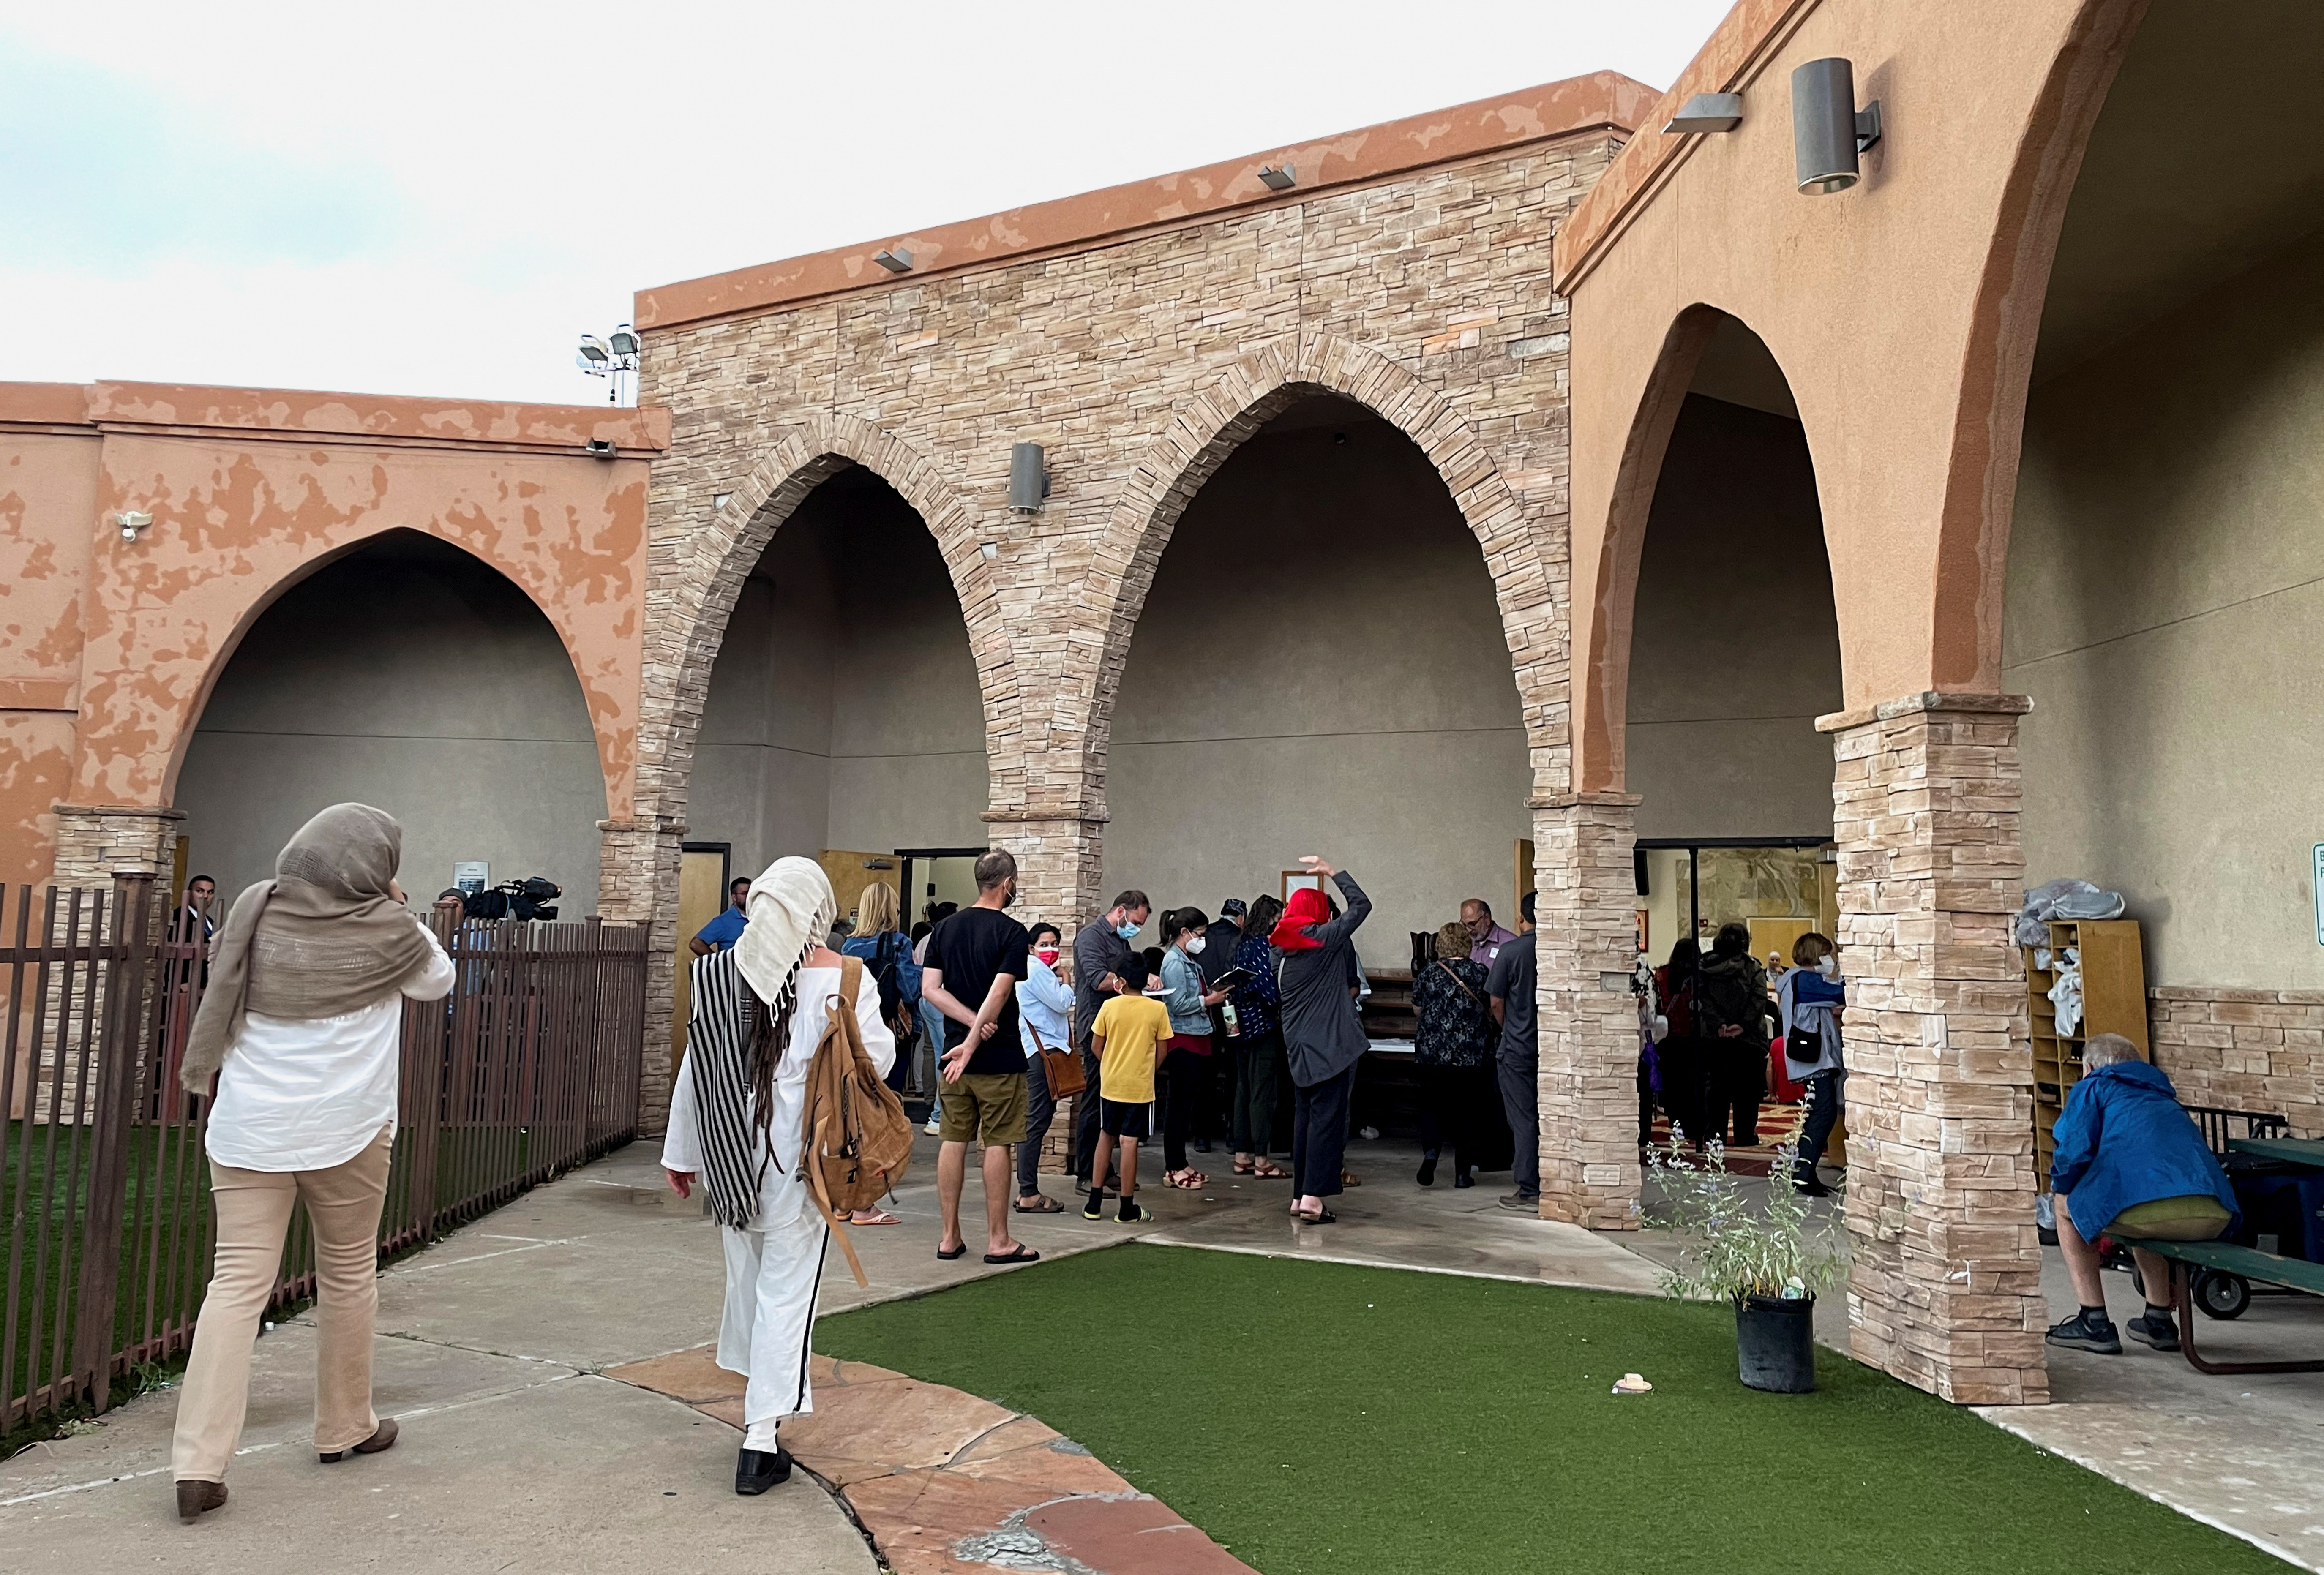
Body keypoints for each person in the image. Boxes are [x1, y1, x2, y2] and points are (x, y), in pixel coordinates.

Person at [167, 804, 456, 1524]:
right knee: (349, 1274)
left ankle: (198, 1461)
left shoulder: (253, 912)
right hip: (348, 1131)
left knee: (234, 1285)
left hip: (247, 1129)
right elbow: (439, 980)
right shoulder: (393, 932)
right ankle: (344, 1425)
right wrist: (398, 905)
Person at [661, 857, 896, 1494]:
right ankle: (759, 1440)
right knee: (787, 1296)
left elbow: (697, 1067)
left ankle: (756, 1396)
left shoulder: (715, 975)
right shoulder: (846, 976)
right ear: (818, 912)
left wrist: (680, 1152)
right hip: (805, 1162)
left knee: (749, 1284)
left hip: (732, 1157)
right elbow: (878, 1060)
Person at [2045, 1034, 2239, 1356]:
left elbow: (2073, 1151)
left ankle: (2094, 1320)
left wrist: (2062, 1186)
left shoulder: (2093, 1087)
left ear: (2089, 1066)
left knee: (2065, 1204)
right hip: (2215, 1210)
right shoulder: (2163, 1095)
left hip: (2152, 1210)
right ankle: (2159, 1319)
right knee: (2137, 1203)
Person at [920, 852, 1039, 1267]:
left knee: (953, 1139)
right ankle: (998, 1238)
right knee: (998, 1143)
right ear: (1007, 882)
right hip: (998, 1055)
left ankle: (949, 1235)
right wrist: (978, 1032)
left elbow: (930, 988)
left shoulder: (945, 928)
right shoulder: (1011, 931)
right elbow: (1000, 991)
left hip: (953, 1057)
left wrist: (966, 1027)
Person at [1274, 858, 1371, 1223]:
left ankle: (1300, 1195)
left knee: (1306, 1124)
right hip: (1330, 1051)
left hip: (1299, 1052)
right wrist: (1333, 872)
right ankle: (1314, 1199)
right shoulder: (1323, 940)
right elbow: (1361, 906)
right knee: (1328, 1125)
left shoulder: (1280, 951)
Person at [831, 880, 917, 1226]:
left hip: (851, 1039)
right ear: (892, 909)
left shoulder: (848, 945)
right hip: (887, 1034)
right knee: (882, 1118)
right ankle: (867, 1203)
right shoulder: (899, 943)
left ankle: (843, 1199)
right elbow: (911, 989)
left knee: (851, 1115)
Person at [1071, 889, 1151, 1184]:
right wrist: (1136, 981)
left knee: (1112, 1101)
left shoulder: (1121, 939)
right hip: (1097, 1026)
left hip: (1121, 1026)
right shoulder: (1092, 937)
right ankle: (1087, 1172)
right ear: (1120, 912)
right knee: (1095, 1099)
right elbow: (1097, 978)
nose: (1136, 928)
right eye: (1135, 921)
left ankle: (1105, 1168)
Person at [1083, 954, 1167, 1224]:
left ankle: (1094, 1203)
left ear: (1120, 982)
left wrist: (1110, 1064)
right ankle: (1127, 1207)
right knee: (1129, 1142)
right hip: (1140, 1086)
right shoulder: (1157, 1010)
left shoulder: (1109, 1007)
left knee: (1106, 1136)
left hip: (1111, 1084)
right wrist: (1146, 1070)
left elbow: (1096, 1045)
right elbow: (1163, 1050)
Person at [1412, 920, 1495, 1188]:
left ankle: (1431, 1153)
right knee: (1468, 1113)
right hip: (1471, 1058)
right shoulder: (1480, 973)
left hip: (1432, 1057)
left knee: (1432, 1107)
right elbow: (1492, 1006)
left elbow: (1417, 1010)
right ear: (1467, 944)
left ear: (1440, 946)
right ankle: (1462, 1174)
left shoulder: (1427, 973)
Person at [1157, 907, 1229, 1191]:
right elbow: (1177, 1005)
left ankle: (1181, 1161)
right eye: (1199, 934)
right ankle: (1172, 1165)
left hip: (1199, 1036)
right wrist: (1208, 1001)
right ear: (1185, 933)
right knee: (1177, 1106)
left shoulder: (1190, 960)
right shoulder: (1174, 963)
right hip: (1183, 1039)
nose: (1203, 939)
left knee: (1188, 1104)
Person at [1775, 932, 1847, 1196]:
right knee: (1823, 1114)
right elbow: (1839, 994)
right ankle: (1803, 1173)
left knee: (1820, 1113)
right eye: (1827, 953)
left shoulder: (1796, 980)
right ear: (1816, 954)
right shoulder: (1804, 980)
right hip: (1815, 1059)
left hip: (1813, 1058)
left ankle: (1806, 1172)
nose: (1831, 959)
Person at [1692, 921, 1776, 1147]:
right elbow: (1759, 999)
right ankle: (1745, 1135)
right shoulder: (1753, 967)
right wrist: (1741, 1025)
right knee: (1747, 1091)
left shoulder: (1703, 965)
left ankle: (1715, 1135)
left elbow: (1701, 997)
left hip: (1713, 1035)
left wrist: (1719, 1023)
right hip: (1748, 1038)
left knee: (1717, 1088)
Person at [1223, 895, 1290, 1179]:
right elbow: (1267, 986)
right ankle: (1262, 1159)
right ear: (1271, 919)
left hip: (1237, 1024)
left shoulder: (1240, 943)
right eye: (1279, 918)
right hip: (1261, 1024)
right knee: (1263, 1092)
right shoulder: (1263, 945)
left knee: (1243, 1088)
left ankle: (1241, 1156)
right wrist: (1283, 1004)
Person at [1012, 920, 1074, 1215]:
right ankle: (1028, 1192)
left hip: (1041, 1051)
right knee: (1036, 1121)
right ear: (1031, 948)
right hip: (1040, 1053)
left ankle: (1028, 1188)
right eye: (1044, 945)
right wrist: (1067, 981)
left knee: (1039, 1117)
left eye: (1054, 944)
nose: (1050, 950)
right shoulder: (1035, 970)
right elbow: (1062, 1004)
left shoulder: (1036, 970)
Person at [1484, 891, 1539, 1213]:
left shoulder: (1510, 952)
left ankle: (1529, 1187)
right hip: (1552, 1047)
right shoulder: (1556, 951)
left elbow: (1496, 1001)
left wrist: (1509, 1030)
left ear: (1521, 918)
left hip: (1517, 1047)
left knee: (1523, 1118)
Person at [1196, 897, 1247, 1150]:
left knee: (1206, 1072)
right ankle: (1233, 1134)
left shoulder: (1205, 935)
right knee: (1234, 1073)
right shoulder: (1241, 937)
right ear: (1240, 917)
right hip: (1231, 1013)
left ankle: (1202, 1136)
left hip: (1206, 1011)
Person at [1652, 938, 1708, 1150]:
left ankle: (1677, 1126)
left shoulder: (1661, 975)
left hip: (1669, 1038)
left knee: (1674, 1086)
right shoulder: (1700, 977)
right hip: (1695, 1038)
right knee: (1695, 1084)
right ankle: (1696, 1127)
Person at [912, 900, 960, 1127]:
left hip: (925, 999)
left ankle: (930, 1098)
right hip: (942, 999)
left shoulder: (925, 940)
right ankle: (939, 1114)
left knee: (931, 1052)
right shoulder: (951, 938)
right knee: (946, 1054)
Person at [691, 875, 752, 957]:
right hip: (734, 969)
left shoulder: (758, 916)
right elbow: (696, 944)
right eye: (744, 893)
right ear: (734, 898)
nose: (749, 896)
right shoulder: (724, 921)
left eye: (751, 893)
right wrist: (718, 962)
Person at [1460, 898, 1517, 968]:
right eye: (1464, 925)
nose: (1468, 930)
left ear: (1487, 919)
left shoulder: (1511, 943)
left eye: (1472, 924)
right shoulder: (1464, 942)